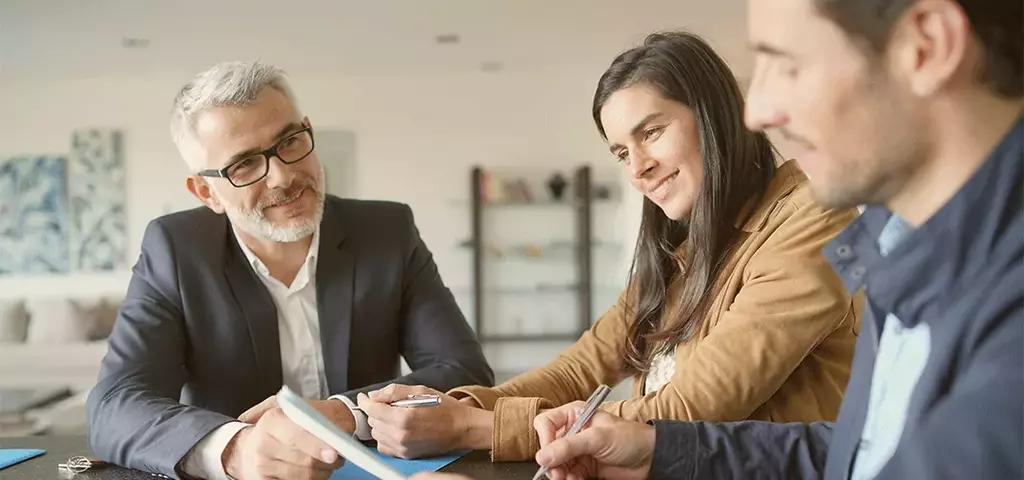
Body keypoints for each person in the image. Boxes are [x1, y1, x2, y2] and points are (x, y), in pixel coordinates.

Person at [476, 0, 1023, 479]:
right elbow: (859, 456)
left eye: (788, 64)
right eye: (622, 151)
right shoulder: (904, 250)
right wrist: (657, 450)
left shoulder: (842, 232)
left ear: (926, 47)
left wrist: (482, 429)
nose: (757, 111)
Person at [355, 31, 863, 462]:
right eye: (622, 150)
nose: (636, 168)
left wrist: (475, 428)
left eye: (653, 132)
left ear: (716, 117)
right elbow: (581, 369)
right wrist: (453, 406)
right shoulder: (680, 249)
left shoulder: (814, 218)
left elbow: (688, 411)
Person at [85, 61, 494, 480]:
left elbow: (463, 371)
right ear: (207, 192)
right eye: (243, 165)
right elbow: (115, 404)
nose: (283, 176)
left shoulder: (387, 231)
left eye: (290, 141)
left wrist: (344, 414)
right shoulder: (175, 249)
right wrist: (234, 450)